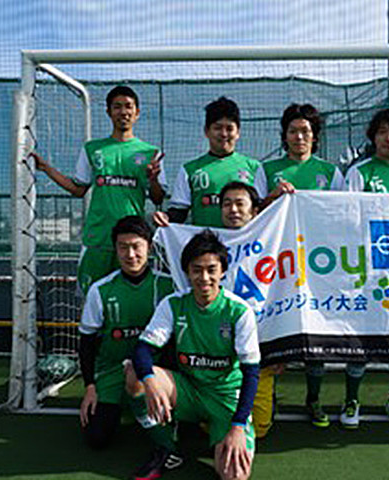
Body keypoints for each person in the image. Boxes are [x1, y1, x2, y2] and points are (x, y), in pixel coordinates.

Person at [126, 230, 260, 480]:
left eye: (211, 269)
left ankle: (220, 433)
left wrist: (238, 426)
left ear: (223, 271)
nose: (204, 277)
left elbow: (251, 373)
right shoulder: (173, 304)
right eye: (197, 270)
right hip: (187, 389)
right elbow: (143, 349)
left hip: (225, 397)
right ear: (187, 272)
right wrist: (150, 382)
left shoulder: (239, 311)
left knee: (234, 475)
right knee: (136, 374)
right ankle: (166, 447)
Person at [32, 86, 167, 294]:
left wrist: (153, 179)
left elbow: (158, 198)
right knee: (91, 300)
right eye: (117, 107)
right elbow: (78, 189)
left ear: (137, 112)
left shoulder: (150, 153)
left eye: (128, 106)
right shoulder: (93, 149)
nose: (123, 112)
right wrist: (46, 168)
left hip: (132, 242)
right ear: (108, 112)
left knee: (130, 298)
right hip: (97, 239)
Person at [262, 103, 344, 429]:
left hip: (317, 264)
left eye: (306, 131)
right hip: (278, 263)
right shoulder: (267, 170)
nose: (299, 137)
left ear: (315, 136)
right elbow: (254, 213)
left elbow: (342, 215)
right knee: (274, 326)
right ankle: (268, 393)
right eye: (293, 131)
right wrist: (272, 197)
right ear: (284, 135)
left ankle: (313, 398)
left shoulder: (331, 172)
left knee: (314, 329)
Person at [342, 106, 389, 428]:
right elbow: (346, 217)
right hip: (367, 266)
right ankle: (351, 400)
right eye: (383, 132)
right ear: (373, 137)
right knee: (362, 335)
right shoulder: (359, 172)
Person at [78, 215, 174, 449]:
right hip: (112, 372)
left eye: (136, 246)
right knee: (97, 438)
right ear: (115, 249)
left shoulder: (168, 286)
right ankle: (121, 401)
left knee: (185, 431)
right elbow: (86, 342)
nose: (130, 254)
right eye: (123, 247)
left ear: (149, 247)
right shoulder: (100, 290)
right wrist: (89, 387)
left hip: (154, 373)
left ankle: (156, 404)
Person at [219, 181, 280, 439]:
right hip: (220, 352)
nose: (233, 209)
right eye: (227, 204)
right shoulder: (208, 243)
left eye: (239, 203)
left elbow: (288, 292)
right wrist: (166, 227)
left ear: (255, 210)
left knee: (261, 428)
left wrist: (282, 351)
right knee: (212, 427)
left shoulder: (274, 241)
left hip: (261, 347)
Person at [153, 97, 266, 228]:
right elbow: (179, 213)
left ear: (238, 133)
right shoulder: (190, 170)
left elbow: (262, 211)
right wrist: (165, 218)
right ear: (206, 131)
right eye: (218, 128)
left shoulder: (254, 168)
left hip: (243, 240)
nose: (224, 134)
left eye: (229, 128)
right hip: (206, 240)